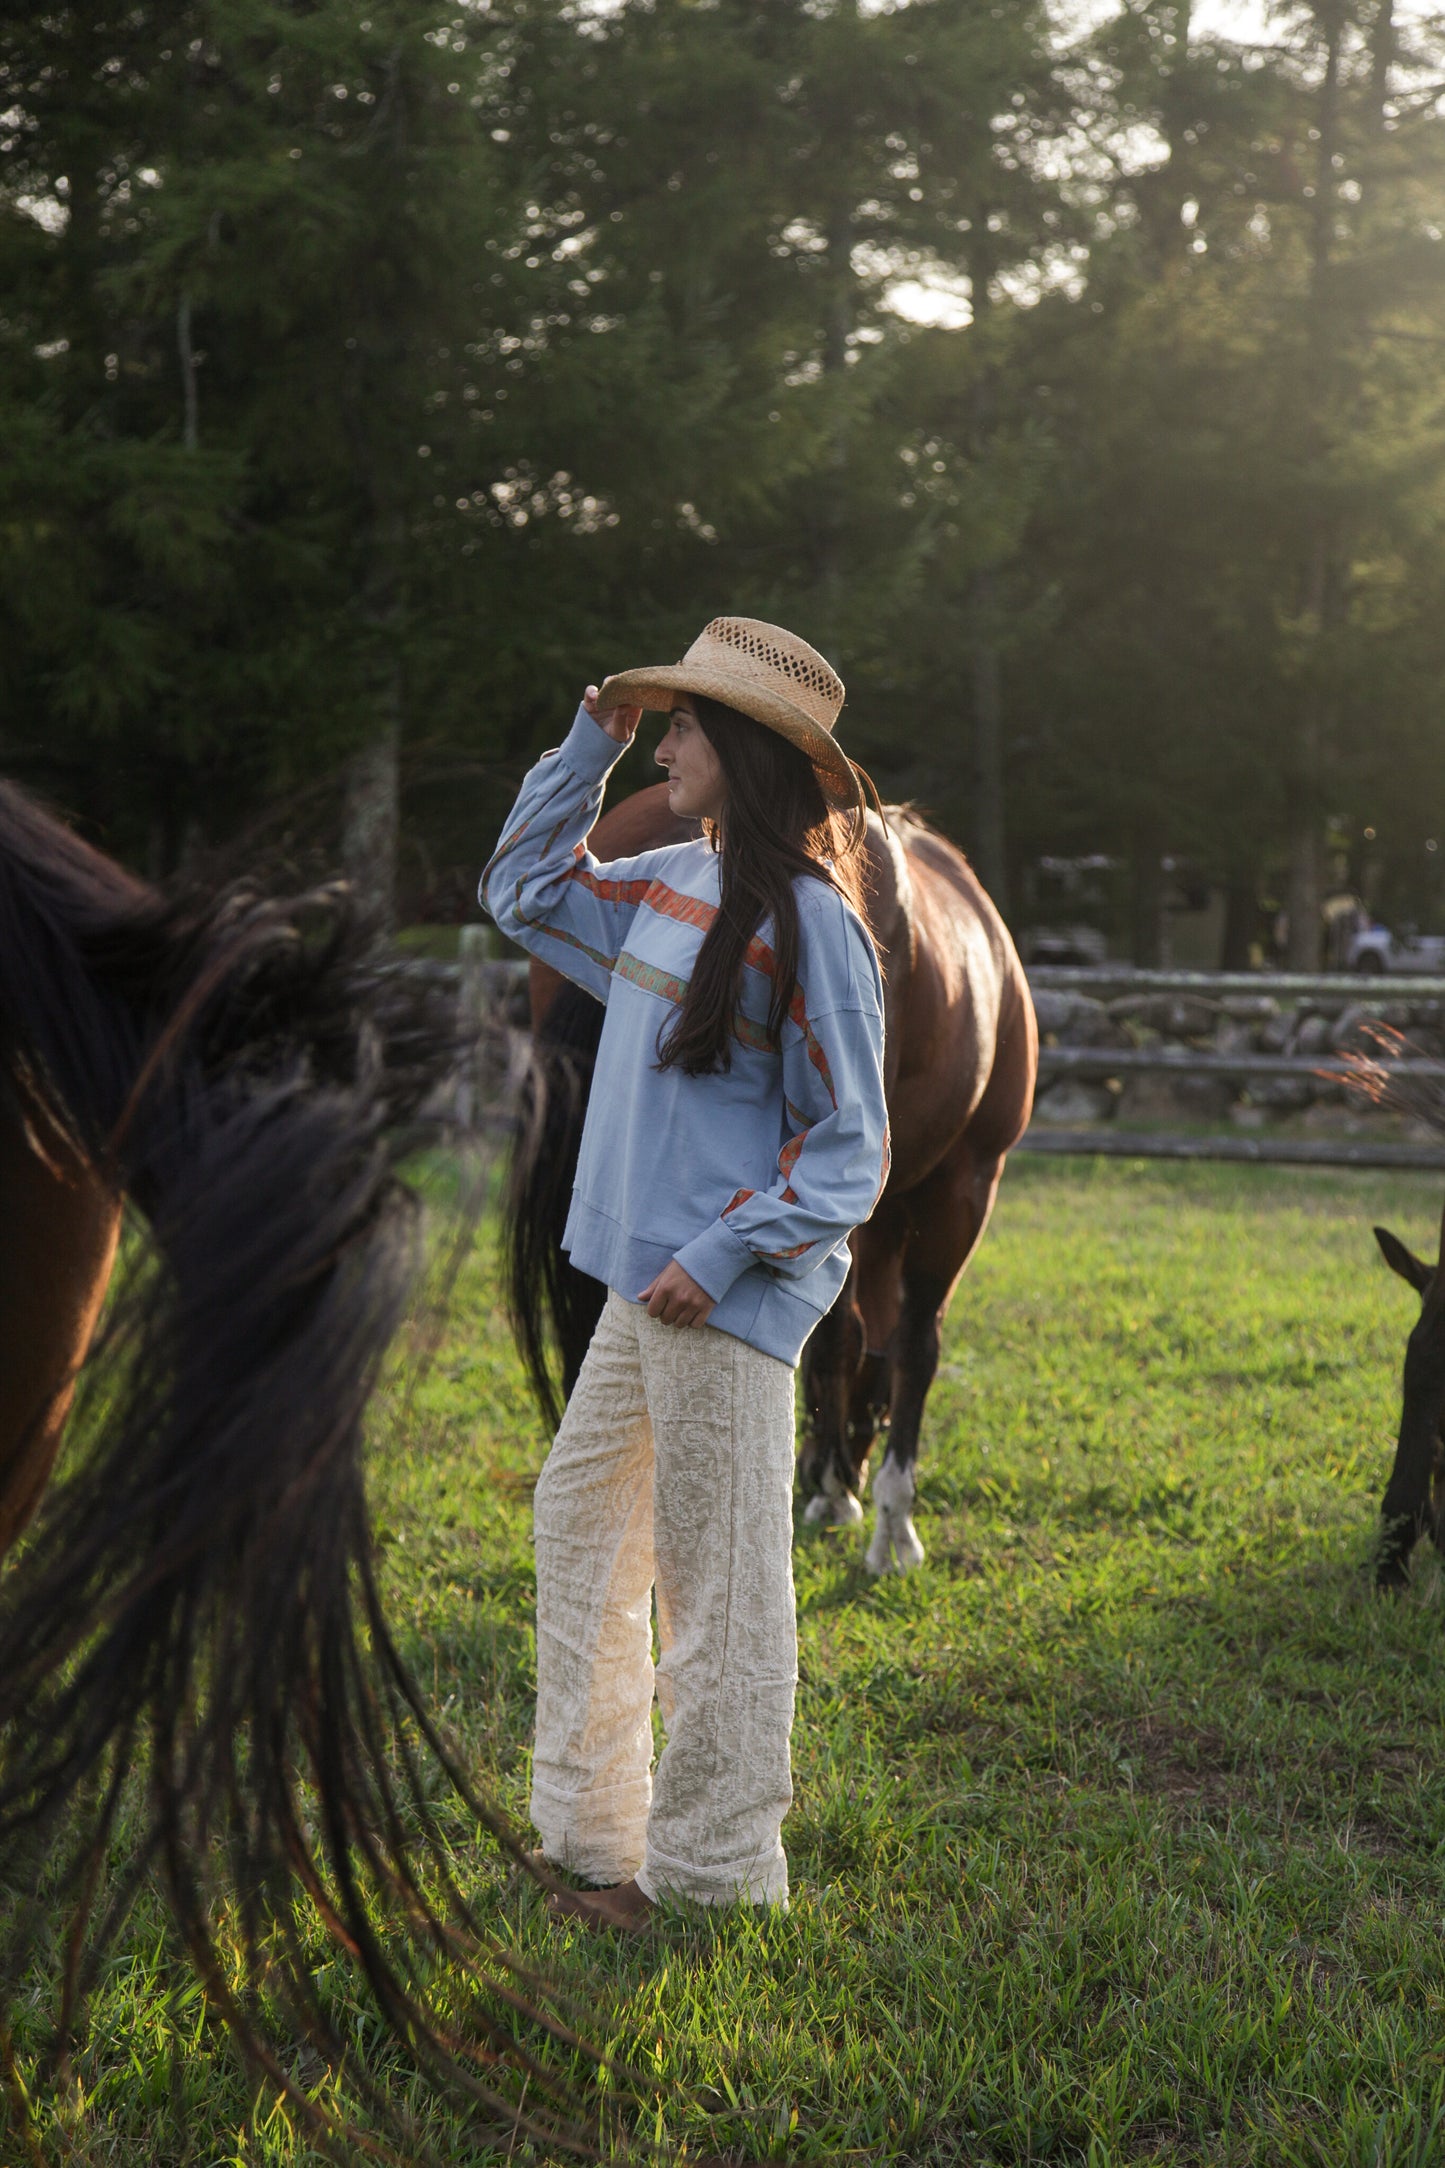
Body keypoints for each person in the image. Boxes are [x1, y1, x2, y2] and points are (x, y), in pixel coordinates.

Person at [480, 616, 890, 1932]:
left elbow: (853, 1149)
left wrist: (715, 1257)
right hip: (633, 1286)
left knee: (719, 1587)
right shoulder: (669, 883)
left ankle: (710, 1877)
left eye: (684, 724)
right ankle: (594, 1836)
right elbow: (519, 892)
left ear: (749, 753)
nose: (665, 737)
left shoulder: (817, 925)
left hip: (716, 1301)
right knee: (584, 1531)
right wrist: (582, 755)